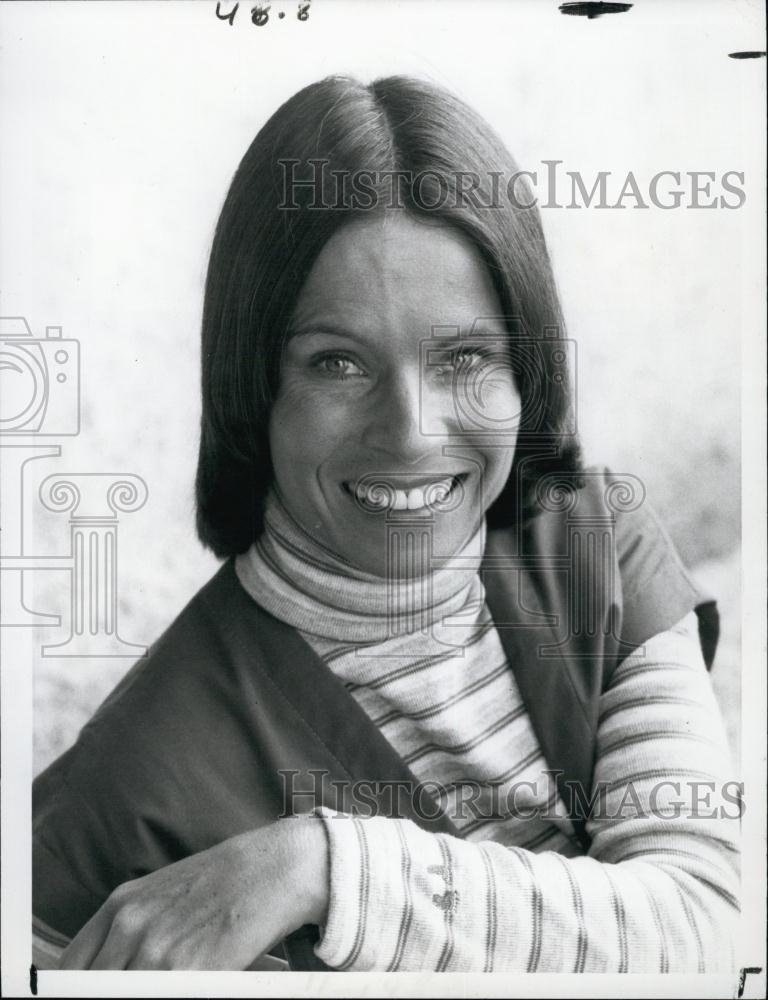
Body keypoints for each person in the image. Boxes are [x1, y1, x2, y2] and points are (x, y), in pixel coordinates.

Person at [32, 75, 739, 973]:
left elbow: (707, 927)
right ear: (254, 386)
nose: (411, 432)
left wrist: (321, 865)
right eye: (337, 363)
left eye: (467, 357)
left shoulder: (597, 546)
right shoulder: (125, 795)